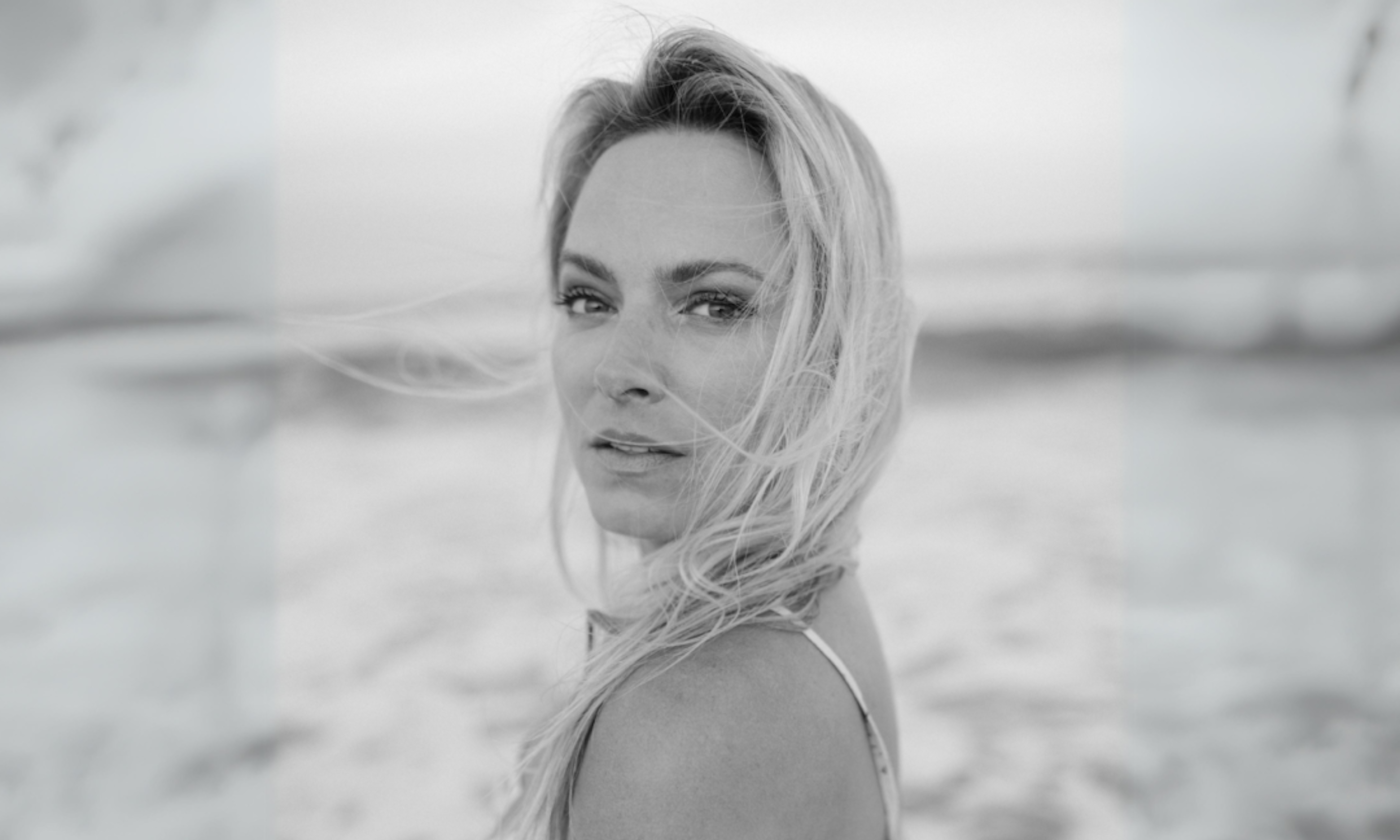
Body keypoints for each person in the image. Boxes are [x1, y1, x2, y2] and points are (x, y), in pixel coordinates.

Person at [496, 25, 915, 840]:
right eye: (589, 298)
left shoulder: (683, 726)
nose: (618, 369)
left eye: (713, 304)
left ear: (831, 348)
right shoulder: (818, 602)